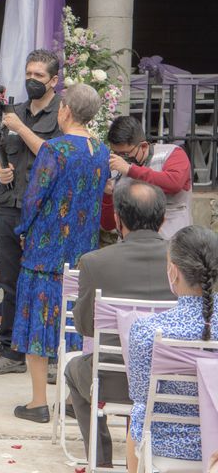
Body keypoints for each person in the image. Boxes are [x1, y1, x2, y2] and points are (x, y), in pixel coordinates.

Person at [11, 83, 110, 423]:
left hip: (45, 252)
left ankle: (39, 401)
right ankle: (71, 397)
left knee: (39, 324)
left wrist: (23, 230)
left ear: (65, 110)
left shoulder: (54, 150)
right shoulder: (100, 150)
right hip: (83, 254)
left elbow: (34, 198)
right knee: (74, 325)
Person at [65, 178, 176, 467]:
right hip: (170, 379)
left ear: (117, 219)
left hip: (113, 380)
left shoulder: (94, 262)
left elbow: (86, 327)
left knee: (73, 369)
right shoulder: (183, 261)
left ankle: (100, 462)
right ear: (163, 219)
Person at [0, 49, 62, 377]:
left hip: (45, 211)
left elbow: (54, 154)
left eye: (39, 76)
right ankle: (11, 352)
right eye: (29, 74)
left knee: (46, 283)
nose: (32, 80)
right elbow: (4, 155)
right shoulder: (13, 111)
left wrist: (20, 128)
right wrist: (1, 170)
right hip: (10, 207)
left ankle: (51, 355)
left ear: (54, 80)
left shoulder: (62, 114)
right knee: (10, 282)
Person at [126, 225, 218, 471]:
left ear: (173, 271)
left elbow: (140, 395)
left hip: (164, 446)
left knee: (137, 410)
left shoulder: (148, 330)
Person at [103, 115, 192, 240]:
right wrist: (107, 196)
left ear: (143, 146)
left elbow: (174, 183)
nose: (120, 158)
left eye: (125, 154)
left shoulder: (172, 154)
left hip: (171, 244)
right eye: (115, 153)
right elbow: (108, 225)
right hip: (131, 248)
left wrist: (130, 170)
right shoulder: (117, 168)